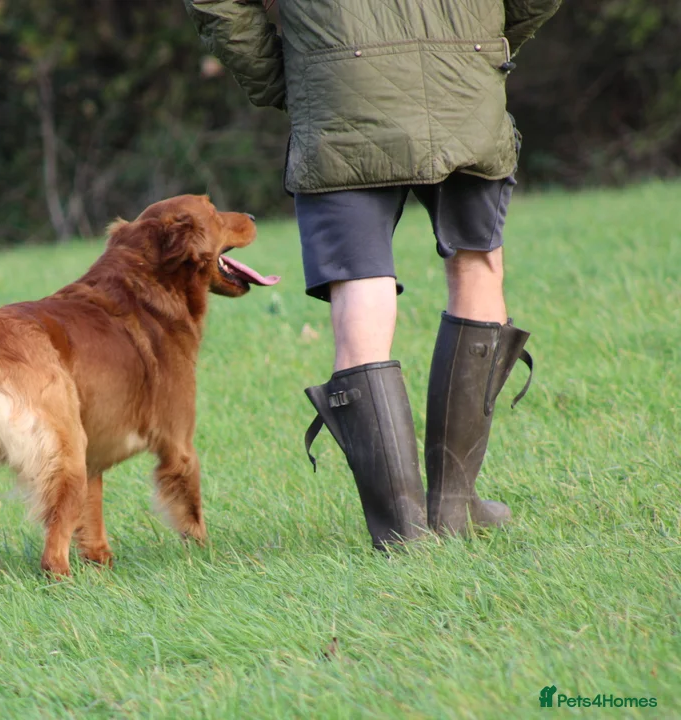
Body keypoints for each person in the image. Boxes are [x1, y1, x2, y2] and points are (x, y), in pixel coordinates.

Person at [183, 0, 558, 549]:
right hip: (463, 80)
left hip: (342, 89)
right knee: (476, 263)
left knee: (360, 282)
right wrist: (482, 41)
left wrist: (291, 71)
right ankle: (454, 505)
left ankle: (403, 532)